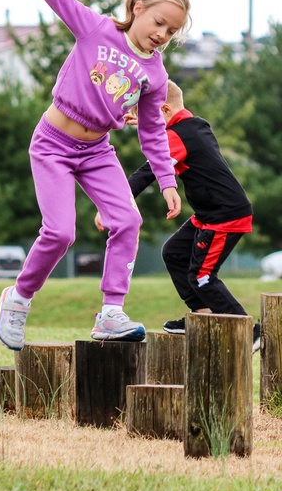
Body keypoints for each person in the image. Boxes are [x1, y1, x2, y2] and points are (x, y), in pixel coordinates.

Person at [0, 0, 189, 351]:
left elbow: (154, 132)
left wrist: (166, 180)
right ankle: (19, 298)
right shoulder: (95, 29)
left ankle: (110, 313)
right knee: (60, 232)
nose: (162, 34)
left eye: (171, 31)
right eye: (158, 22)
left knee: (129, 220)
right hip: (53, 144)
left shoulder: (155, 75)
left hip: (96, 151)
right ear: (138, 8)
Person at [99, 81, 260, 351]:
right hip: (208, 214)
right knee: (173, 252)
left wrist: (112, 203)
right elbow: (166, 134)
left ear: (163, 109)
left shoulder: (178, 136)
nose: (147, 124)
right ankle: (203, 314)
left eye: (149, 116)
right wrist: (143, 121)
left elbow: (148, 171)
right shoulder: (193, 127)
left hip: (224, 216)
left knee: (203, 276)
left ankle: (251, 331)